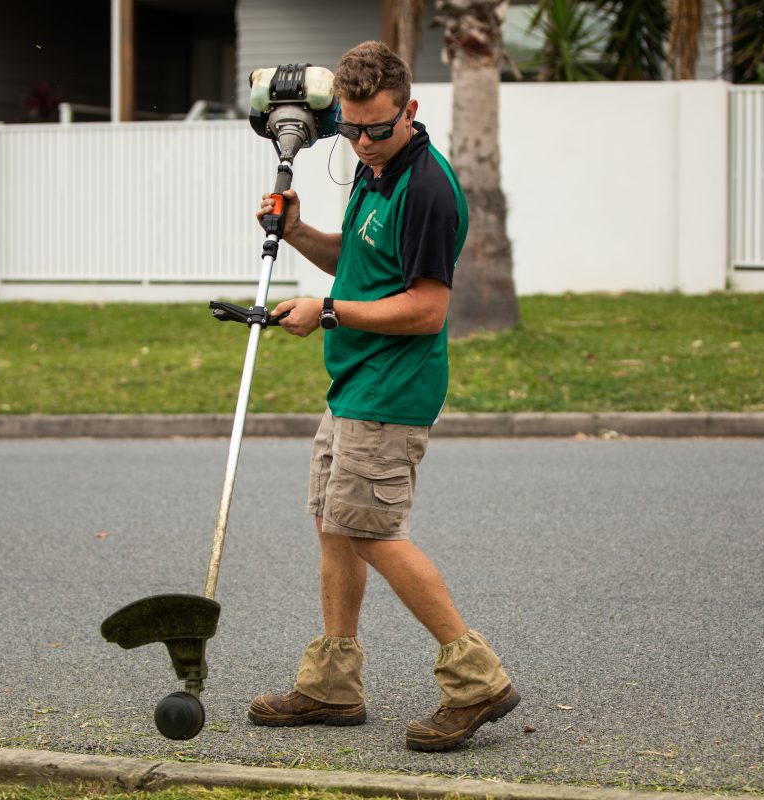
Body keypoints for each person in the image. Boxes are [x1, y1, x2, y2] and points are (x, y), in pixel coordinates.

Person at [247, 41, 519, 752]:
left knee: (370, 530)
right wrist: (299, 230)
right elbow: (361, 261)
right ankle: (333, 685)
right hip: (353, 381)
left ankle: (477, 679)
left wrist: (328, 312)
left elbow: (427, 309)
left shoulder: (426, 188)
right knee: (334, 523)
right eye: (352, 128)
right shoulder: (374, 168)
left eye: (378, 128)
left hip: (392, 387)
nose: (363, 143)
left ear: (411, 111)